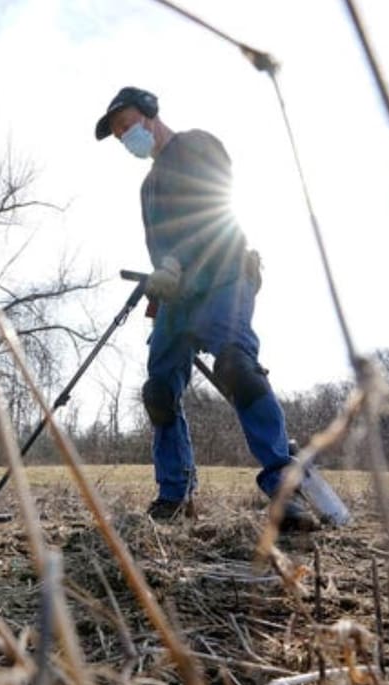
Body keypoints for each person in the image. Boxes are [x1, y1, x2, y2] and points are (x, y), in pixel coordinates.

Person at [95, 86, 319, 531]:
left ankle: (284, 488)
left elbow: (215, 206)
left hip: (224, 276)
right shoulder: (147, 188)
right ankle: (175, 495)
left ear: (150, 114)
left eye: (127, 125)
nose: (125, 137)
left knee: (237, 366)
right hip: (177, 298)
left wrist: (179, 258)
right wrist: (162, 277)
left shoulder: (197, 144)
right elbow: (159, 247)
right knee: (159, 391)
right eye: (119, 134)